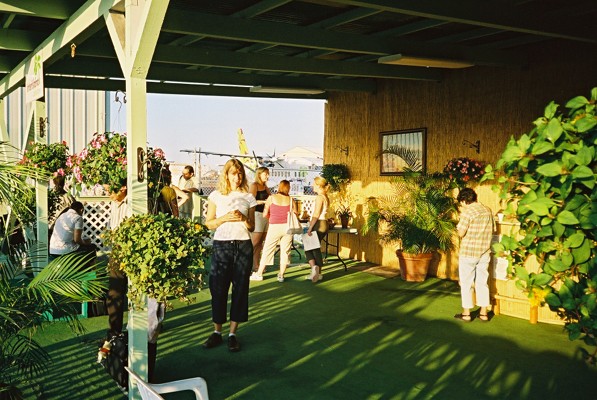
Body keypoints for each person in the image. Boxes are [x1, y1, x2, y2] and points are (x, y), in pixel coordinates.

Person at [203, 159, 256, 352]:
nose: (237, 176)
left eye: (240, 173)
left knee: (240, 290)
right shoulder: (216, 196)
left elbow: (252, 227)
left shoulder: (248, 197)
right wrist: (224, 218)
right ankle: (217, 332)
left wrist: (243, 218)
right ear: (226, 174)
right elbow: (208, 223)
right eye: (234, 173)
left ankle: (233, 334)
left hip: (243, 245)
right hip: (222, 245)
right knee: (218, 288)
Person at [454, 188, 494, 322]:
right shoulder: (488, 210)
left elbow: (460, 233)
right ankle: (483, 313)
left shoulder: (468, 212)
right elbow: (492, 230)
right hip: (484, 251)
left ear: (465, 200)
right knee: (482, 282)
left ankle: (466, 313)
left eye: (461, 203)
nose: (461, 206)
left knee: (466, 283)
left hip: (469, 252)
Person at [250, 180, 296, 282]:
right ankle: (281, 275)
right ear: (288, 188)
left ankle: (259, 274)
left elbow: (265, 214)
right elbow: (295, 213)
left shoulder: (271, 198)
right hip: (288, 227)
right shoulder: (291, 200)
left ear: (279, 187)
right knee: (285, 251)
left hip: (274, 226)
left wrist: (272, 216)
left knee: (267, 249)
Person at [304, 176, 330, 283]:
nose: (312, 186)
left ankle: (316, 270)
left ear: (319, 185)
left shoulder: (320, 197)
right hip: (324, 223)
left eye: (313, 184)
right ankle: (317, 271)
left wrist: (310, 227)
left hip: (318, 223)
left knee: (310, 247)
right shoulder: (325, 197)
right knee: (313, 247)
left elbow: (316, 214)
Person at [249, 167, 270, 272]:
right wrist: (263, 202)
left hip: (265, 216)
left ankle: (256, 265)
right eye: (266, 174)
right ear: (259, 174)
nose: (268, 176)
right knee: (255, 242)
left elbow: (271, 198)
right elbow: (250, 201)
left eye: (268, 174)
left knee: (261, 243)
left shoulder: (265, 187)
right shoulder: (254, 186)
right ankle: (246, 263)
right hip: (257, 215)